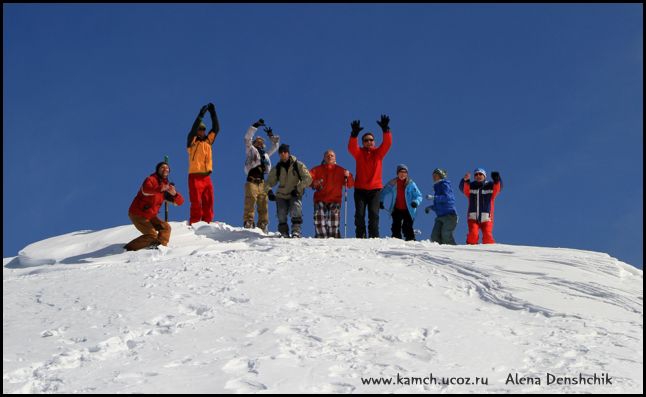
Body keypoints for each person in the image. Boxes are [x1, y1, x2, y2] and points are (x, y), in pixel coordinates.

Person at [347, 115, 392, 238]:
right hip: (360, 189)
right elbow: (351, 148)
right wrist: (354, 135)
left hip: (375, 190)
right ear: (363, 142)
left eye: (371, 140)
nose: (369, 142)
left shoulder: (378, 153)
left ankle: (374, 237)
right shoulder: (359, 153)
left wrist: (386, 130)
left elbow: (387, 144)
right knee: (359, 215)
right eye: (366, 140)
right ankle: (360, 236)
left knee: (374, 214)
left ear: (374, 142)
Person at [125, 162, 185, 251]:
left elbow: (180, 202)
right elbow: (146, 190)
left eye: (167, 168)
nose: (165, 169)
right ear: (157, 170)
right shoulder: (150, 179)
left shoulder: (167, 187)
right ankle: (128, 249)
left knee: (166, 227)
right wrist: (160, 188)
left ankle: (159, 247)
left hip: (150, 215)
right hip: (138, 213)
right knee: (152, 235)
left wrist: (175, 194)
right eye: (162, 167)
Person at [265, 144, 312, 238]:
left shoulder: (298, 165)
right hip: (281, 194)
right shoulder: (277, 168)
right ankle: (284, 232)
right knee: (281, 213)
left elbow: (308, 179)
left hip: (294, 193)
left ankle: (296, 231)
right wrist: (269, 191)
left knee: (296, 209)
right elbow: (268, 182)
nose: (283, 154)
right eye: (281, 152)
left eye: (285, 152)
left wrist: (298, 188)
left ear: (288, 153)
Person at [243, 118, 280, 233]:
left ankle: (263, 224)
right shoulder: (251, 150)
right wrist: (255, 126)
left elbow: (275, 146)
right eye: (257, 141)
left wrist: (271, 135)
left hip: (262, 182)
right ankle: (248, 222)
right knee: (250, 200)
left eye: (261, 142)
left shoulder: (266, 155)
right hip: (252, 180)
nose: (260, 143)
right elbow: (247, 138)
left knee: (263, 203)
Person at [186, 102, 220, 225]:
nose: (202, 131)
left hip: (206, 176)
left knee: (209, 201)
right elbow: (192, 130)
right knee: (196, 202)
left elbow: (216, 128)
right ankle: (195, 223)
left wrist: (213, 112)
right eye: (200, 129)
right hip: (194, 176)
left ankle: (207, 223)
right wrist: (200, 115)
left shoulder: (208, 141)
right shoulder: (192, 142)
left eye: (204, 129)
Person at [308, 150, 355, 238]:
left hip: (335, 200)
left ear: (335, 158)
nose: (330, 157)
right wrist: (313, 183)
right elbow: (308, 179)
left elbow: (350, 184)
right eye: (327, 155)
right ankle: (321, 238)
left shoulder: (341, 170)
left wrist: (348, 176)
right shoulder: (317, 169)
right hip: (320, 199)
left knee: (333, 222)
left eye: (332, 155)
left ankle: (334, 239)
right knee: (319, 219)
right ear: (324, 158)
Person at [458, 168, 503, 244]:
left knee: (488, 236)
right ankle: (471, 251)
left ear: (484, 176)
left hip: (487, 218)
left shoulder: (490, 185)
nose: (478, 176)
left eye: (480, 174)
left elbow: (498, 188)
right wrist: (465, 180)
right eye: (476, 174)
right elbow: (463, 188)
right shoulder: (471, 186)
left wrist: (497, 180)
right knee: (473, 235)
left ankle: (489, 252)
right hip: (473, 218)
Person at [380, 164, 422, 241]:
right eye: (401, 172)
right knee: (396, 225)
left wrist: (415, 202)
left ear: (407, 174)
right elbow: (384, 191)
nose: (403, 174)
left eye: (405, 172)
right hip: (397, 208)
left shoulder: (411, 184)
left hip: (408, 209)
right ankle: (396, 240)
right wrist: (381, 201)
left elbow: (418, 195)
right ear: (397, 173)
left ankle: (411, 240)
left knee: (407, 226)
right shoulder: (393, 183)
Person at [424, 168, 458, 245]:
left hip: (450, 216)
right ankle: (440, 252)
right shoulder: (436, 187)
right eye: (433, 176)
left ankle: (454, 251)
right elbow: (439, 205)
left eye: (435, 175)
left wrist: (434, 197)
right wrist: (430, 207)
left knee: (445, 235)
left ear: (441, 176)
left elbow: (448, 198)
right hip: (440, 217)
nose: (433, 177)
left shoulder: (445, 184)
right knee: (434, 237)